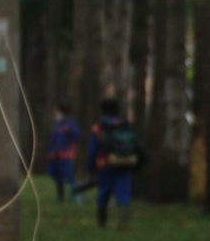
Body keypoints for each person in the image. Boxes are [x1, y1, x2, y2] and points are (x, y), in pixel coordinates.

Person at [89, 98, 142, 230]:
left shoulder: (98, 127)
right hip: (125, 162)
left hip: (105, 164)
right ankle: (124, 221)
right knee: (123, 193)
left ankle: (102, 223)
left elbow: (93, 150)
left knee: (103, 194)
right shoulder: (125, 124)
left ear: (102, 110)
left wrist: (90, 167)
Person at [47, 105, 80, 202]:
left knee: (69, 175)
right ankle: (60, 197)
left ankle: (76, 195)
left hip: (66, 155)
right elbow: (53, 140)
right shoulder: (56, 125)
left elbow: (77, 134)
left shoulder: (69, 124)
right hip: (56, 155)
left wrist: (69, 144)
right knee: (57, 176)